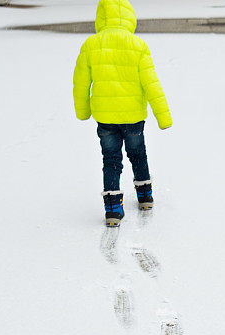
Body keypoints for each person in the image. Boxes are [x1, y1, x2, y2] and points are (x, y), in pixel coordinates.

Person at [73, 0, 172, 226]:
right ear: (128, 16)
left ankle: (113, 209)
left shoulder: (91, 44)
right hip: (133, 116)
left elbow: (80, 83)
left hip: (106, 117)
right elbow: (151, 83)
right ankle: (145, 196)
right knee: (138, 154)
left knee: (111, 160)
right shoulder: (137, 45)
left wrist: (83, 111)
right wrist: (163, 116)